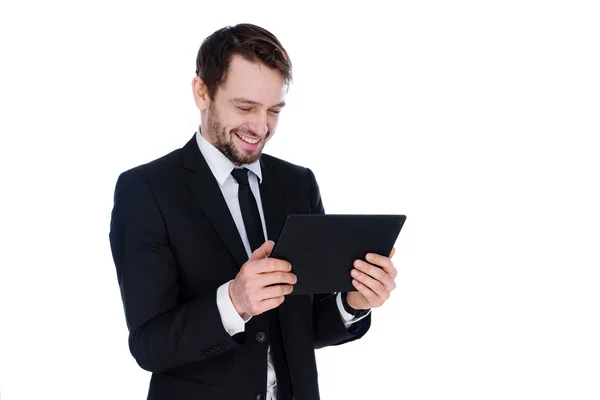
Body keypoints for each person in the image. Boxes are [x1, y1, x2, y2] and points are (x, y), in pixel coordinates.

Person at [109, 23, 398, 400]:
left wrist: (353, 302)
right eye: (245, 107)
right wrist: (234, 301)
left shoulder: (299, 184)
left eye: (273, 110)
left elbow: (305, 326)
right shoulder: (146, 191)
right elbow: (150, 345)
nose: (261, 127)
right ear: (202, 92)